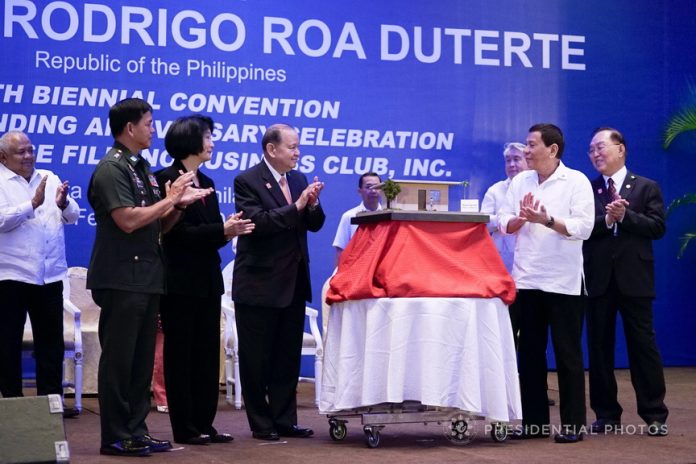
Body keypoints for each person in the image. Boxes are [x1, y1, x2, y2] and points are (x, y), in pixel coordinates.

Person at [87, 98, 212, 457]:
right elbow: (127, 220)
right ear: (130, 128)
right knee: (120, 361)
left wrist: (177, 206)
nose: (153, 130)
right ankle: (115, 435)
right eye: (149, 124)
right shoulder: (112, 169)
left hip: (148, 276)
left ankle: (136, 430)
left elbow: (159, 225)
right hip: (122, 276)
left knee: (141, 363)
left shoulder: (141, 167)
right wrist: (169, 198)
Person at [155, 114, 254, 445]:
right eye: (208, 137)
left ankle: (204, 422)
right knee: (181, 354)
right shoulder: (166, 180)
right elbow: (175, 234)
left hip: (208, 281)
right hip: (179, 281)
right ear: (190, 141)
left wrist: (228, 229)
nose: (212, 143)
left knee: (206, 354)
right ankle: (184, 426)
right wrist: (220, 230)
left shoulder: (206, 179)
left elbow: (209, 234)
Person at [498, 123, 594, 443]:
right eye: (525, 145)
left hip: (563, 282)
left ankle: (573, 425)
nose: (525, 151)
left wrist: (548, 220)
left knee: (567, 355)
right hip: (527, 279)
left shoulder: (576, 180)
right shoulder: (521, 181)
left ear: (552, 150)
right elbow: (504, 221)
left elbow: (584, 227)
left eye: (531, 145)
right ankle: (534, 424)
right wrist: (522, 219)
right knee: (529, 355)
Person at [232, 123, 325, 441]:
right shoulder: (247, 180)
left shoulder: (298, 179)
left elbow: (314, 224)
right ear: (272, 149)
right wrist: (297, 205)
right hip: (259, 283)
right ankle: (261, 422)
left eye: (298, 146)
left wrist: (311, 203)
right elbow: (257, 223)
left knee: (287, 355)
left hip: (293, 282)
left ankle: (285, 419)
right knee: (257, 357)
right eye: (292, 147)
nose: (297, 152)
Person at [583, 127, 669, 437]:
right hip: (598, 279)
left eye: (601, 147)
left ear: (621, 149)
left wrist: (625, 217)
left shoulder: (646, 187)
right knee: (599, 347)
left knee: (643, 346)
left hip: (635, 279)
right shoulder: (586, 189)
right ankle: (606, 414)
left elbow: (657, 227)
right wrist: (607, 220)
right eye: (591, 149)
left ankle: (655, 414)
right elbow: (582, 230)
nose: (595, 154)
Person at [0, 130, 80, 418]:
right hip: (11, 277)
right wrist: (30, 205)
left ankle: (51, 405)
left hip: (49, 275)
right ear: (3, 157)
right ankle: (14, 406)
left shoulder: (50, 177)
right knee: (7, 345)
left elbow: (73, 217)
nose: (29, 156)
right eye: (21, 152)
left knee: (51, 346)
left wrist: (62, 203)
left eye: (31, 150)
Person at [480, 142, 528, 272]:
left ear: (528, 161)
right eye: (508, 161)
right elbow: (483, 222)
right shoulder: (495, 190)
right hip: (501, 259)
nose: (512, 164)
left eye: (517, 159)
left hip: (529, 257)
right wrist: (507, 220)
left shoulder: (536, 187)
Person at [332, 172, 382, 264]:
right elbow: (340, 250)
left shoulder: (388, 217)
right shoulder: (349, 216)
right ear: (360, 191)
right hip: (355, 271)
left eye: (377, 187)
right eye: (369, 187)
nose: (373, 191)